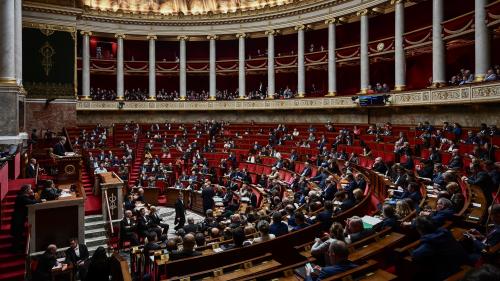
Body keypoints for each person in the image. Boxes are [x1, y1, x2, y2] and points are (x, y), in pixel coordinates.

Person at [411, 216, 467, 280]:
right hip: (460, 263)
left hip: (447, 273)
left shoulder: (427, 246)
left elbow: (415, 255)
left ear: (419, 230)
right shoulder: (446, 233)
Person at [11, 185, 38, 252]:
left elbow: (29, 201)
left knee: (18, 234)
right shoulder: (22, 197)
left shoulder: (22, 196)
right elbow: (31, 202)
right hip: (18, 219)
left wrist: (32, 195)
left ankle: (16, 248)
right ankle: (15, 249)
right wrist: (37, 199)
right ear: (26, 190)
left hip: (19, 218)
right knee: (18, 234)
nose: (31, 190)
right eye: (30, 189)